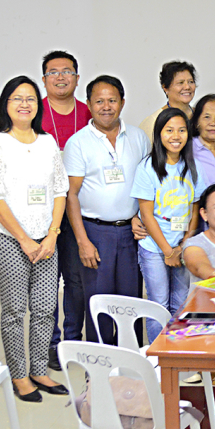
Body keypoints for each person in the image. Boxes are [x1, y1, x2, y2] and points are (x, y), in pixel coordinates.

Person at [0, 76, 70, 402]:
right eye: (17, 98)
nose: (24, 104)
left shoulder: (47, 142)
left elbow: (60, 190)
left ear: (38, 104)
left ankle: (40, 370)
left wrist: (51, 235)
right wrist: (24, 240)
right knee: (15, 310)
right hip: (7, 239)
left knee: (46, 308)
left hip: (46, 239)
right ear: (6, 104)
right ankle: (19, 375)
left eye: (31, 98)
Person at [64, 75, 149, 347]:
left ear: (122, 102)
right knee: (98, 303)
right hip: (95, 232)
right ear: (88, 104)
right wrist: (82, 241)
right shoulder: (78, 143)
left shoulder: (138, 138)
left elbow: (148, 185)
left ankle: (133, 361)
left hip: (131, 233)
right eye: (99, 101)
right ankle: (99, 366)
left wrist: (139, 216)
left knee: (131, 303)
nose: (106, 106)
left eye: (112, 100)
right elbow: (71, 195)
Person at [131, 108, 205, 341]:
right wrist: (167, 250)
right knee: (159, 303)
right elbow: (147, 214)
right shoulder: (147, 168)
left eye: (182, 130)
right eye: (169, 130)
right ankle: (157, 361)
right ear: (159, 134)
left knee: (181, 302)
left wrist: (184, 244)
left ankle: (176, 354)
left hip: (181, 245)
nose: (176, 136)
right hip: (154, 247)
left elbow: (194, 209)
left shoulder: (192, 166)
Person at [39, 50, 91, 371]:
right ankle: (50, 343)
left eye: (67, 71)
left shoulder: (88, 113)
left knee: (75, 279)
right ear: (44, 79)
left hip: (77, 209)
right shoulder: (33, 112)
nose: (60, 77)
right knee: (46, 280)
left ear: (77, 77)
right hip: (42, 211)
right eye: (53, 72)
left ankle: (72, 340)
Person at [139, 61, 197, 143]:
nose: (187, 87)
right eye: (180, 83)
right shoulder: (153, 121)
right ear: (165, 88)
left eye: (191, 82)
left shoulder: (201, 115)